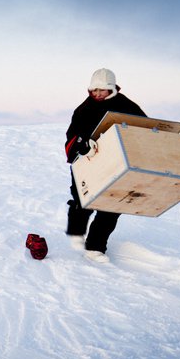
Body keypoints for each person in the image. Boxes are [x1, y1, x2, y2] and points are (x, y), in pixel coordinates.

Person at [64, 68, 146, 263]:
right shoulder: (83, 109)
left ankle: (95, 247)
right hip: (87, 163)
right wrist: (82, 146)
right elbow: (71, 138)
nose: (98, 94)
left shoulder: (127, 106)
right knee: (82, 200)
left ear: (112, 89)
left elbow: (143, 129)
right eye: (95, 90)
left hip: (118, 165)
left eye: (103, 90)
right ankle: (76, 233)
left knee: (111, 205)